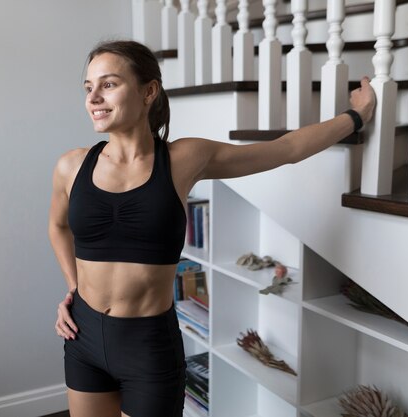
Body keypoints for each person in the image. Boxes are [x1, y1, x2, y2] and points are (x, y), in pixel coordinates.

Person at [48, 40, 375, 417]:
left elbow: (286, 149)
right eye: (88, 88)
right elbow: (57, 227)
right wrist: (73, 287)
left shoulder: (184, 159)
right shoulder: (71, 166)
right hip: (83, 338)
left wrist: (357, 115)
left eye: (108, 84)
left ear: (148, 91)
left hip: (149, 345)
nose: (94, 98)